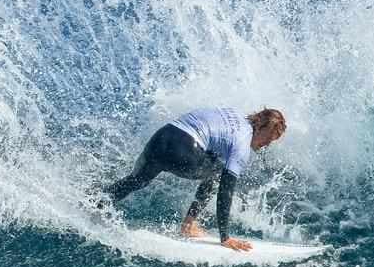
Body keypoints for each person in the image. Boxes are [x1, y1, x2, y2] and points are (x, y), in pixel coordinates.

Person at [103, 107, 287, 252]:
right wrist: (225, 237)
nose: (266, 145)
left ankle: (95, 201)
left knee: (137, 181)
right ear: (260, 127)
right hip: (182, 149)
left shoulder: (235, 114)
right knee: (218, 173)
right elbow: (226, 190)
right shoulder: (242, 143)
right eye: (268, 138)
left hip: (161, 137)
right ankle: (188, 225)